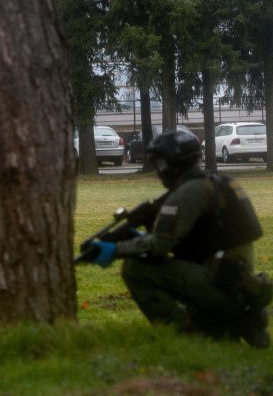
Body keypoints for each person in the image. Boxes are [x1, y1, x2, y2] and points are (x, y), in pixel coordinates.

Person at [85, 130, 272, 348]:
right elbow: (198, 237)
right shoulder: (217, 181)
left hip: (222, 285)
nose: (159, 170)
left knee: (135, 268)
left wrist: (115, 250)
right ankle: (228, 323)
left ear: (172, 162)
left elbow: (159, 245)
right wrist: (142, 238)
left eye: (160, 163)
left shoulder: (189, 191)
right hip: (235, 281)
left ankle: (187, 333)